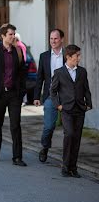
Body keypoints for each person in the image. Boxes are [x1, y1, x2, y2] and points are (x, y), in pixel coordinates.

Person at [0, 23, 27, 166]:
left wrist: (21, 93)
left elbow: (22, 74)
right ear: (3, 36)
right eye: (10, 34)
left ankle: (17, 157)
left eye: (14, 34)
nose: (13, 36)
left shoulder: (18, 52)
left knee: (16, 125)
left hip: (14, 94)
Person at [50, 44, 92, 178]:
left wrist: (88, 104)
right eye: (77, 56)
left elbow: (86, 89)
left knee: (77, 137)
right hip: (66, 109)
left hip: (80, 109)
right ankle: (65, 166)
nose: (79, 58)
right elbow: (53, 91)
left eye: (79, 56)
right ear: (68, 57)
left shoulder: (82, 71)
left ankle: (73, 168)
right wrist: (58, 105)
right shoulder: (59, 72)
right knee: (69, 134)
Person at [34, 28, 65, 163]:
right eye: (51, 38)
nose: (53, 41)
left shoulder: (68, 55)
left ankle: (67, 155)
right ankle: (45, 148)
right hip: (50, 96)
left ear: (61, 39)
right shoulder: (44, 56)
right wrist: (36, 96)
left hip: (66, 95)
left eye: (56, 38)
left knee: (69, 129)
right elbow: (39, 77)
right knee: (48, 127)